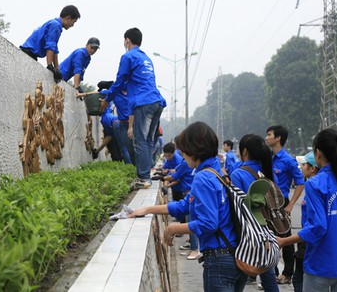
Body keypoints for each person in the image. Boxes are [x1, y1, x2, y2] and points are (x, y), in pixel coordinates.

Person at [129, 122, 248, 291]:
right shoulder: (217, 170)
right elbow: (185, 205)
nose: (182, 154)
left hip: (219, 259)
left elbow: (208, 223)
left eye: (183, 150)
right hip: (234, 254)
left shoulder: (203, 178)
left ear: (193, 149)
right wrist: (148, 209)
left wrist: (173, 229)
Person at [277, 129, 337, 292]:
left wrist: (283, 241)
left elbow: (318, 226)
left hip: (322, 263)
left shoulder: (316, 183)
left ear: (318, 153)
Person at [100, 27, 166, 189]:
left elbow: (120, 81)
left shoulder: (128, 56)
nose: (124, 44)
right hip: (157, 102)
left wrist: (107, 99)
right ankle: (146, 175)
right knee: (149, 140)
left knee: (140, 141)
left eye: (124, 41)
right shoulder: (146, 58)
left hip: (144, 103)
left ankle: (143, 178)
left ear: (127, 40)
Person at [229, 134, 279, 292]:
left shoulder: (238, 174)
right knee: (267, 273)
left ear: (244, 151)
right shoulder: (268, 171)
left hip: (248, 232)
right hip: (267, 228)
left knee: (242, 272)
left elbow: (236, 206)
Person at [265, 125, 304, 284]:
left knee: (286, 239)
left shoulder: (288, 160)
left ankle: (287, 273)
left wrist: (290, 205)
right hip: (267, 203)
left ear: (278, 138)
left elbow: (300, 183)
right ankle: (271, 272)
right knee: (267, 237)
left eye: (269, 134)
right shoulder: (267, 158)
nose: (266, 137)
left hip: (282, 203)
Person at [20, 5, 81, 83]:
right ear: (68, 18)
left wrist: (57, 69)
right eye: (73, 22)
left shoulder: (56, 24)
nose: (72, 25)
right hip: (28, 53)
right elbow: (50, 47)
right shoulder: (55, 25)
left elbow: (54, 49)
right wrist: (49, 66)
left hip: (30, 53)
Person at [292, 151, 319, 292]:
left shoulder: (314, 187)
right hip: (307, 236)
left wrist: (286, 241)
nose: (300, 167)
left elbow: (317, 223)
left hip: (308, 238)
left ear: (312, 168)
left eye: (303, 165)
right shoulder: (314, 185)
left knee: (299, 278)